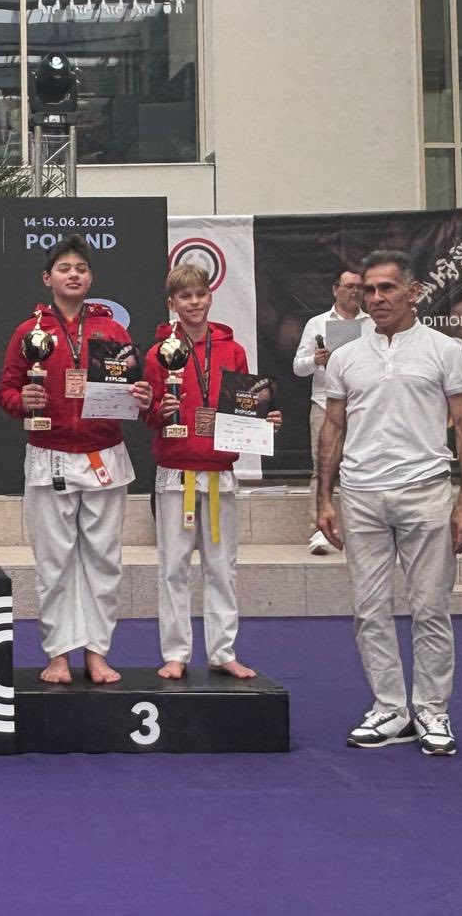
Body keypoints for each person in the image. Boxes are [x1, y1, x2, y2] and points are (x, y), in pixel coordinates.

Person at [316, 249, 462, 757]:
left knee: (430, 607)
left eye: (387, 288)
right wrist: (323, 497)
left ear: (414, 292)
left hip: (425, 490)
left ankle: (432, 710)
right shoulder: (345, 357)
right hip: (361, 494)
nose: (377, 298)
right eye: (369, 289)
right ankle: (390, 707)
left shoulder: (445, 350)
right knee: (369, 610)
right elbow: (333, 428)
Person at [0, 236, 150, 684]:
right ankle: (59, 655)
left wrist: (142, 394)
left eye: (81, 268)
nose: (74, 274)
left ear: (91, 277)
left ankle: (97, 653)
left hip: (104, 454)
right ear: (48, 278)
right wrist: (22, 401)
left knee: (104, 561)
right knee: (54, 563)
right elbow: (7, 390)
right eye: (64, 268)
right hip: (50, 455)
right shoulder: (29, 333)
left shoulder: (113, 332)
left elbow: (136, 393)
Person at [144, 264, 282, 681]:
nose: (194, 303)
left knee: (222, 567)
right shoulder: (157, 354)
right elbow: (147, 413)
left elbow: (243, 409)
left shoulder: (232, 350)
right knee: (173, 568)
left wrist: (264, 422)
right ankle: (175, 653)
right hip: (176, 471)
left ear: (210, 296)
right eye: (185, 296)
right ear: (172, 303)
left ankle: (223, 651)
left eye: (200, 294)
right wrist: (159, 410)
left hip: (220, 471)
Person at [292, 268, 370, 554]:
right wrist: (315, 359)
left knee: (361, 466)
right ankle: (320, 529)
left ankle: (359, 526)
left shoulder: (372, 323)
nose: (354, 292)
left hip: (363, 403)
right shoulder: (317, 323)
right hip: (325, 403)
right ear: (335, 289)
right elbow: (297, 367)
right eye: (349, 286)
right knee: (322, 466)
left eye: (359, 287)